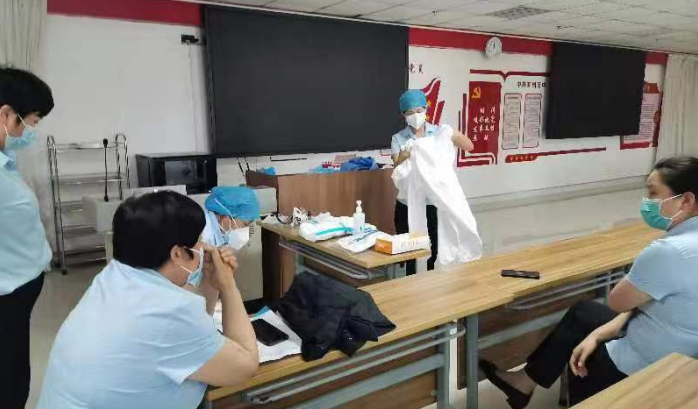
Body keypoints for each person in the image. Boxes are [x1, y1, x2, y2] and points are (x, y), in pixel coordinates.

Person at [480, 156, 698, 408]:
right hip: (686, 349)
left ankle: (560, 391)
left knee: (582, 350)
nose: (647, 202)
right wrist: (600, 332)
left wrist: (597, 336)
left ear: (686, 200)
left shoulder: (667, 252)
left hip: (653, 364)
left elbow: (618, 302)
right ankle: (524, 381)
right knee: (585, 313)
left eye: (653, 193)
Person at [37, 191, 259, 409]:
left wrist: (212, 283)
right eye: (199, 241)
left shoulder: (114, 275)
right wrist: (228, 285)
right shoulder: (169, 311)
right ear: (177, 254)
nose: (204, 248)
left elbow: (195, 327)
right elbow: (246, 365)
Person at [0, 67, 54, 409]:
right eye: (31, 122)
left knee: (15, 373)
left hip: (19, 294)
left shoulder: (6, 161)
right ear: (7, 114)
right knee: (9, 384)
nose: (30, 132)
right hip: (6, 297)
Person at [391, 89, 474, 274]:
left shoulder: (438, 133)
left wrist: (453, 133)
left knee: (433, 246)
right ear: (404, 115)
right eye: (410, 112)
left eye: (419, 111)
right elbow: (396, 167)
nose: (415, 115)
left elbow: (469, 146)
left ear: (426, 110)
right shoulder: (398, 138)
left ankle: (430, 281)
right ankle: (408, 281)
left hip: (432, 202)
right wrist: (404, 156)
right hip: (407, 202)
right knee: (409, 247)